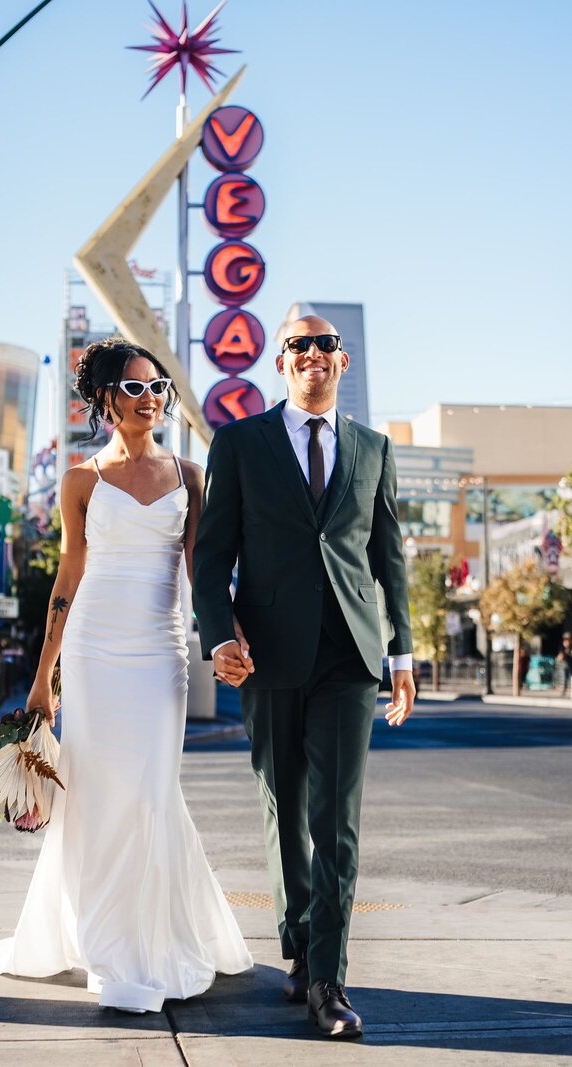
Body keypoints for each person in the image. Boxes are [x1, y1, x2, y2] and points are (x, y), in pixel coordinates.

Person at [0, 338, 251, 1013]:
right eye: (133, 388)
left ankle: (155, 943)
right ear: (104, 400)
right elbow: (69, 576)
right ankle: (110, 947)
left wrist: (226, 636)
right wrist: (45, 678)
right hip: (94, 654)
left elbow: (201, 570)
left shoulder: (190, 474)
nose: (150, 397)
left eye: (156, 386)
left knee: (152, 794)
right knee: (97, 797)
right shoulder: (81, 481)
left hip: (161, 653)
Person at [193, 314, 416, 1041]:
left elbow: (389, 558)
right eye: (300, 345)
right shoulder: (240, 443)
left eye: (325, 345)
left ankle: (327, 976)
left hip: (350, 656)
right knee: (283, 804)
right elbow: (212, 554)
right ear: (280, 362)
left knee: (337, 821)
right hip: (269, 654)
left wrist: (402, 654)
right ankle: (298, 937)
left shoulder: (373, 449)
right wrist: (221, 635)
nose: (314, 354)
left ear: (342, 363)